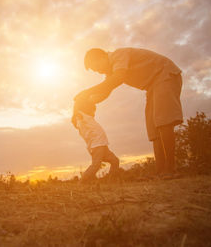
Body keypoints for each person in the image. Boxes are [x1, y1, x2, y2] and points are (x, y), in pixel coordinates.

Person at [73, 47, 183, 178]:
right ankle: (160, 172)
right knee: (154, 127)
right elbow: (104, 92)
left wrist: (87, 92)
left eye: (96, 67)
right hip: (152, 86)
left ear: (101, 57)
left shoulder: (119, 55)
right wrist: (82, 105)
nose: (98, 71)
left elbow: (118, 79)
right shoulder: (111, 71)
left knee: (163, 121)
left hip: (165, 75)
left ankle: (170, 170)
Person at [72, 96, 119, 183]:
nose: (94, 112)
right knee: (96, 165)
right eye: (93, 110)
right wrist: (77, 100)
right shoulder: (81, 116)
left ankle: (112, 181)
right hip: (97, 145)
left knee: (115, 161)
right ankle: (81, 183)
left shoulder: (90, 118)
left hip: (103, 145)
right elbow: (76, 114)